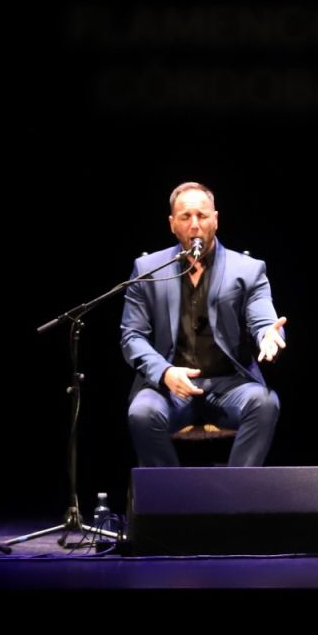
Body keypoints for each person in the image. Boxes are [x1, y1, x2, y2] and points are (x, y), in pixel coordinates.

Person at [121, 181, 288, 467]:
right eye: (186, 217)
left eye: (202, 215)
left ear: (216, 220)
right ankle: (171, 502)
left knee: (264, 404)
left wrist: (269, 337)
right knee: (142, 412)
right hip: (169, 387)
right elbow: (132, 336)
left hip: (229, 385)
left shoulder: (248, 270)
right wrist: (165, 372)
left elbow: (264, 320)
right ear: (173, 224)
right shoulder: (148, 270)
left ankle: (235, 498)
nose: (195, 224)